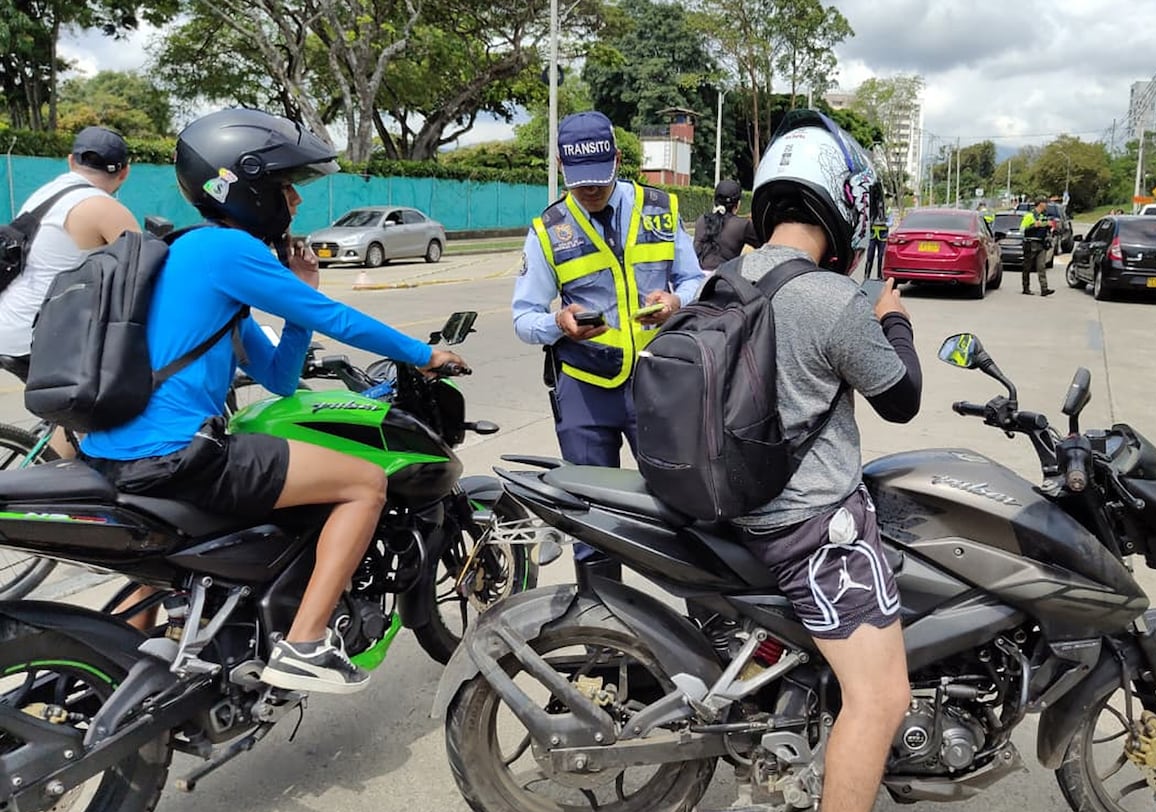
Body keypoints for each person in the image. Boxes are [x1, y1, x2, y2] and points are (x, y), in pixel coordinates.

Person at [78, 108, 468, 694]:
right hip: (174, 454)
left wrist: (300, 297)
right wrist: (423, 354)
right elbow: (339, 319)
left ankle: (120, 679)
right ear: (247, 189)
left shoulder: (190, 256)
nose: (296, 202)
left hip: (115, 453)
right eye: (286, 187)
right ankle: (306, 643)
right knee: (364, 483)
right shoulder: (227, 251)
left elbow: (280, 377)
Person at [733, 109, 922, 812]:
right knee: (881, 697)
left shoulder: (727, 275)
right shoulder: (834, 300)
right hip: (812, 526)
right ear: (845, 206)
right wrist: (893, 315)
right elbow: (901, 398)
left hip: (738, 506)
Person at [512, 110, 703, 581]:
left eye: (600, 179)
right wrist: (558, 322)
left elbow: (696, 279)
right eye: (580, 183)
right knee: (591, 519)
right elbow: (523, 317)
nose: (591, 191)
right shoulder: (547, 231)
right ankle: (603, 622)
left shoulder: (660, 209)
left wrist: (677, 300)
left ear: (618, 159)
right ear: (561, 166)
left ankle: (712, 625)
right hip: (584, 389)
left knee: (686, 509)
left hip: (659, 383)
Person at [0, 126, 139, 454]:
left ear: (71, 161)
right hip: (34, 336)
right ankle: (59, 491)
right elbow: (147, 267)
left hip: (10, 323)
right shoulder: (103, 207)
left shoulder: (49, 194)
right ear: (125, 172)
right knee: (98, 410)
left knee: (78, 406)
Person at [693, 178, 760, 271]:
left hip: (696, 278)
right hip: (722, 280)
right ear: (738, 204)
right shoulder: (742, 225)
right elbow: (765, 244)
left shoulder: (702, 220)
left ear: (715, 201)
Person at [1020, 199, 1054, 296]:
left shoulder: (1043, 215)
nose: (1046, 205)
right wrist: (1033, 226)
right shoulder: (1029, 215)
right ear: (1040, 204)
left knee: (1041, 267)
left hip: (1041, 244)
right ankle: (1026, 288)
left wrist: (1049, 226)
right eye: (1045, 203)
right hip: (1031, 243)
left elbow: (1046, 228)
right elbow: (1022, 229)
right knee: (1027, 266)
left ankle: (1044, 289)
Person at [863, 196, 890, 280]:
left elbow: (890, 222)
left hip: (882, 235)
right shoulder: (870, 209)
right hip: (872, 235)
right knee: (870, 255)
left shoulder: (887, 210)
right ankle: (867, 275)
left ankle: (880, 275)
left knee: (881, 256)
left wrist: (885, 223)